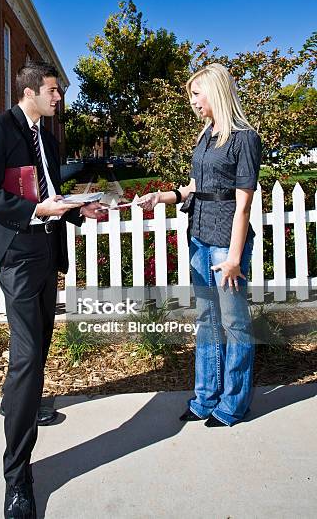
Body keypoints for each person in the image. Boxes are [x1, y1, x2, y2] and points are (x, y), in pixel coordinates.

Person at [0, 61, 102, 518]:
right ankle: (17, 480)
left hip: (47, 252)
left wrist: (80, 212)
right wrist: (36, 210)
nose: (59, 97)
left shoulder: (49, 136)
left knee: (41, 340)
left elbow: (52, 191)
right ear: (30, 91)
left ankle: (20, 402)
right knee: (25, 354)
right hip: (17, 256)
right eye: (53, 90)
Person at [137, 63, 261, 428]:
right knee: (207, 320)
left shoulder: (245, 138)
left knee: (234, 322)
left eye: (196, 93)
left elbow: (243, 205)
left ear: (215, 91)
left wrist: (235, 258)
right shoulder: (206, 134)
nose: (192, 100)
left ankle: (234, 403)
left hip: (226, 243)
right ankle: (205, 398)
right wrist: (161, 196)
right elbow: (193, 188)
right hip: (200, 237)